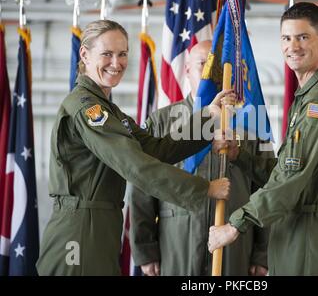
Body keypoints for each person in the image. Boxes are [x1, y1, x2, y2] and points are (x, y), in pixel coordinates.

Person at [36, 20, 233, 276]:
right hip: (81, 229)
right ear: (84, 54)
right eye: (106, 54)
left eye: (122, 54)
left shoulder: (109, 110)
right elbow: (135, 165)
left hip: (100, 224)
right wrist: (204, 188)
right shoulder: (87, 108)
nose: (116, 63)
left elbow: (155, 148)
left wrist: (207, 116)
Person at [208, 2, 318, 275]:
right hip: (293, 232)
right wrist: (239, 155)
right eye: (286, 38)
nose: (293, 46)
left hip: (312, 236)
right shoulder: (307, 97)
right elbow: (286, 170)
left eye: (303, 37)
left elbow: (293, 178)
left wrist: (236, 223)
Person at [130, 40, 272, 276]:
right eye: (202, 64)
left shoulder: (252, 124)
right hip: (176, 246)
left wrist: (262, 253)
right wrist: (145, 250)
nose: (210, 73)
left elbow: (268, 187)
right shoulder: (162, 122)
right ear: (186, 69)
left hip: (236, 248)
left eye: (216, 67)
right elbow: (141, 186)